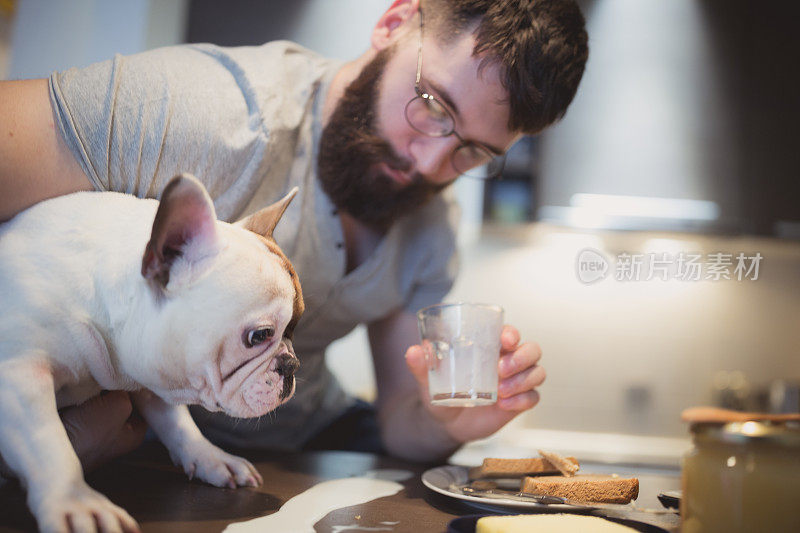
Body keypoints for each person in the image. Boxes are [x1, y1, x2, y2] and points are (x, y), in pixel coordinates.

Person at [0, 0, 588, 464]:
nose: (432, 166)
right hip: (152, 440)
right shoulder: (212, 113)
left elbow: (400, 423)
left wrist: (444, 423)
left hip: (313, 438)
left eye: (474, 152)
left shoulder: (431, 227)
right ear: (392, 22)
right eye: (434, 106)